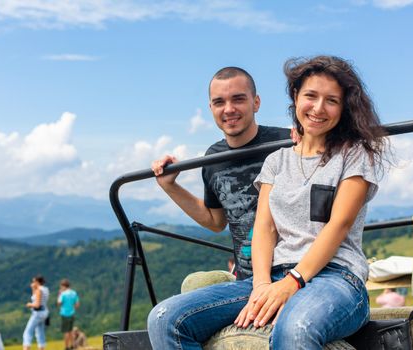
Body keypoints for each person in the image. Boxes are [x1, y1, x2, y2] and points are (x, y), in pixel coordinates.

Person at [147, 55, 386, 349]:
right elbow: (264, 228)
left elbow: (339, 224)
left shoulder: (353, 154)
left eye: (332, 100)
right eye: (310, 96)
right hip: (272, 272)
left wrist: (293, 282)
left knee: (296, 328)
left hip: (335, 276)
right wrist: (262, 284)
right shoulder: (276, 159)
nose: (318, 108)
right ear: (296, 97)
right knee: (165, 318)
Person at [151, 67, 290, 280]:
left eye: (238, 99)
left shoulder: (288, 143)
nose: (229, 109)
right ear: (211, 108)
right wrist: (170, 186)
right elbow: (216, 222)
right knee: (167, 312)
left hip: (292, 274)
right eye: (219, 102)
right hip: (247, 281)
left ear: (256, 102)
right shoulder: (213, 159)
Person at [23, 274, 50, 350]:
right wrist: (33, 289)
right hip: (44, 311)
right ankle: (42, 347)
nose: (32, 283)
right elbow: (35, 298)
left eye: (33, 281)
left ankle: (26, 347)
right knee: (40, 332)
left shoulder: (39, 290)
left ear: (37, 282)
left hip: (38, 313)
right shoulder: (45, 289)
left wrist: (30, 305)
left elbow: (37, 304)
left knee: (28, 331)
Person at [57, 278, 80, 350]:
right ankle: (73, 345)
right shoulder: (74, 293)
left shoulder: (63, 294)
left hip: (65, 314)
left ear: (63, 286)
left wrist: (59, 294)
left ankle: (66, 347)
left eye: (61, 286)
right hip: (72, 313)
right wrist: (73, 309)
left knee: (66, 331)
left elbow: (59, 303)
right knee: (70, 331)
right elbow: (77, 304)